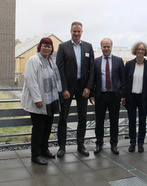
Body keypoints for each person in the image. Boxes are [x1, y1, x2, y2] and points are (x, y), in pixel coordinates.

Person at [56, 21, 94, 158]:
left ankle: (80, 144)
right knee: (63, 118)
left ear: (82, 32)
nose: (76, 33)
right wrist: (64, 88)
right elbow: (59, 69)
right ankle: (61, 147)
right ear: (70, 31)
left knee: (83, 117)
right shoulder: (63, 47)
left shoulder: (88, 47)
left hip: (83, 88)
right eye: (74, 31)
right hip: (67, 88)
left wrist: (88, 87)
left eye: (79, 31)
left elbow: (92, 69)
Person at [21, 37, 62, 165]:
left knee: (47, 128)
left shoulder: (51, 61)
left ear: (52, 49)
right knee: (38, 129)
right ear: (40, 47)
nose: (46, 48)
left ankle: (44, 150)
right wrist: (37, 99)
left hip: (50, 102)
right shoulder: (33, 60)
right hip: (38, 102)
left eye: (49, 46)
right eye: (44, 45)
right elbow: (30, 80)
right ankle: (36, 155)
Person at [90, 38, 125, 155]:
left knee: (114, 121)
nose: (106, 48)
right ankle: (99, 144)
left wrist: (122, 94)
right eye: (104, 46)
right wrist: (91, 94)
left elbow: (123, 79)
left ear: (111, 47)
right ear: (101, 48)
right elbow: (92, 79)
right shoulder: (96, 62)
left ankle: (114, 144)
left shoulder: (119, 61)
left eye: (108, 46)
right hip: (100, 96)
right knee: (99, 122)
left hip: (114, 96)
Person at [123, 42, 147, 153]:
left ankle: (140, 143)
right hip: (131, 97)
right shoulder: (129, 64)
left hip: (144, 98)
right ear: (135, 51)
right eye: (138, 49)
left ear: (145, 51)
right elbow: (124, 82)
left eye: (142, 49)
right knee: (131, 121)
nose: (140, 51)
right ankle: (132, 142)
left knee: (142, 121)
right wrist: (124, 96)